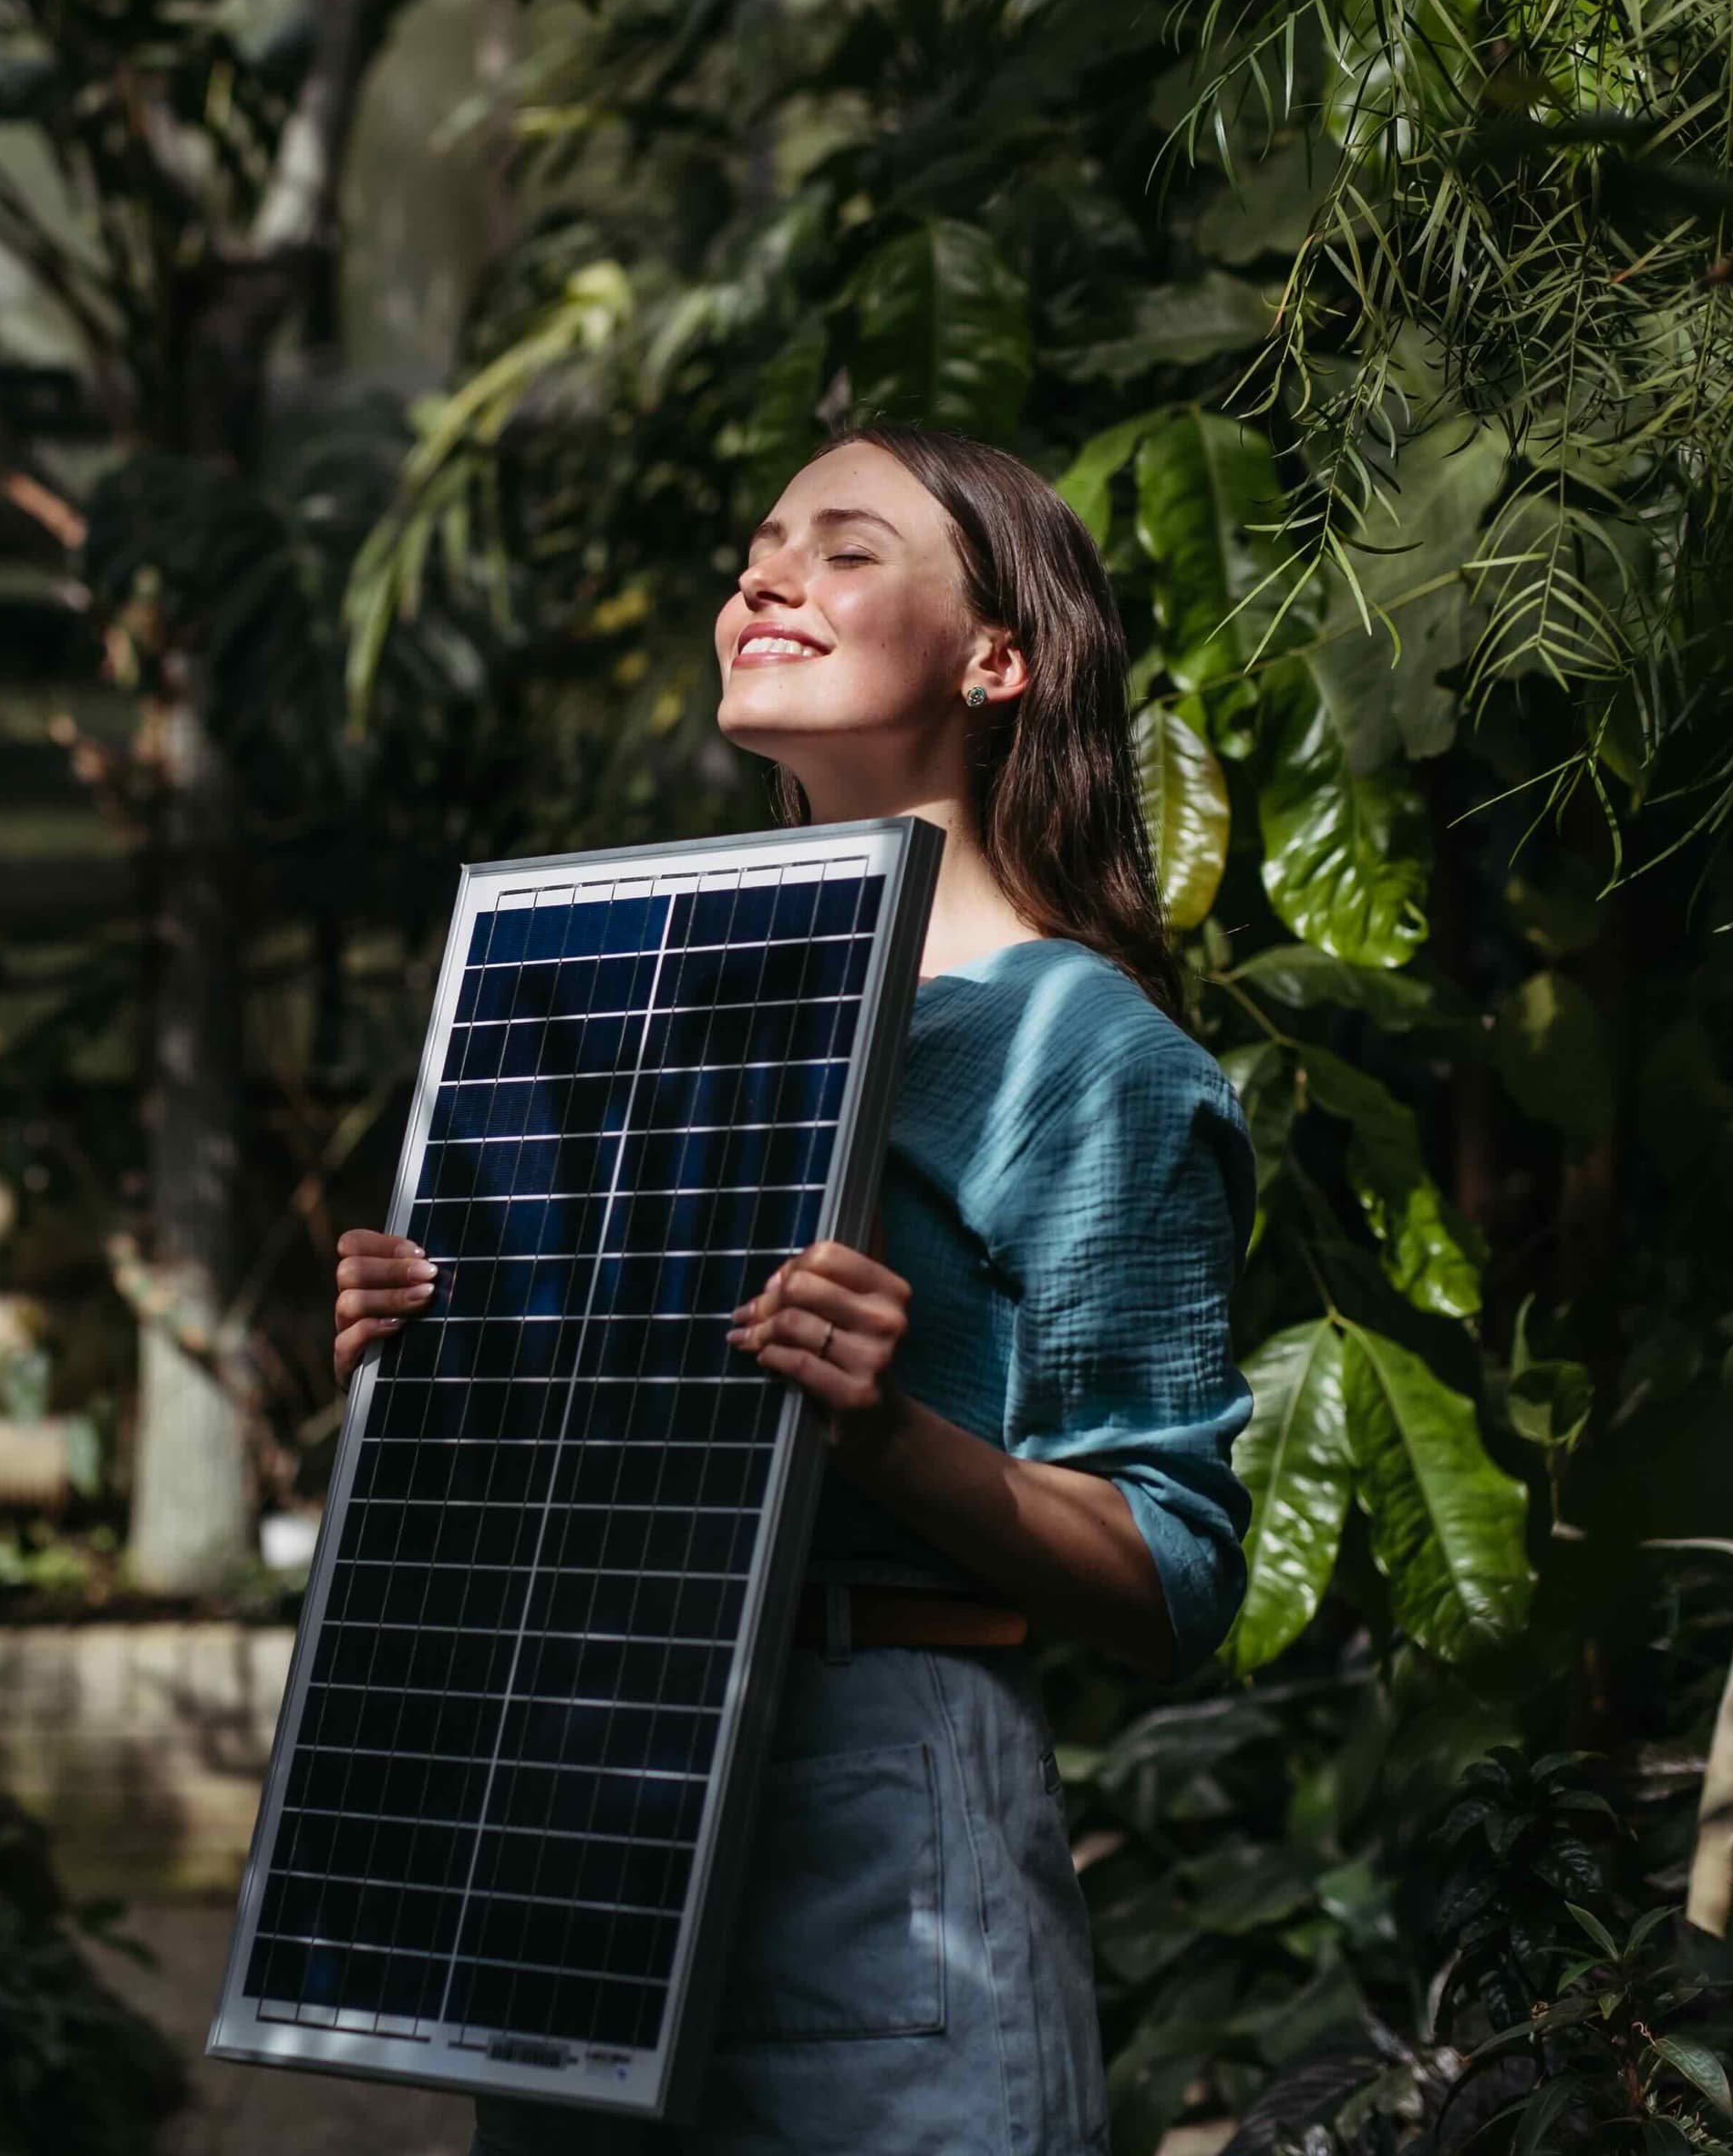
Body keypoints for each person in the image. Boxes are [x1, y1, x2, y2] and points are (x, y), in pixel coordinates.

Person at [331, 424, 1253, 2156]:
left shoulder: (1082, 1050)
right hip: (583, 1774)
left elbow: (1178, 1569)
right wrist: (430, 1353)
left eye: (844, 551)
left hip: (872, 1791)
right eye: (760, 548)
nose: (762, 580)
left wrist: (888, 1438)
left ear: (997, 659)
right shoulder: (634, 1001)